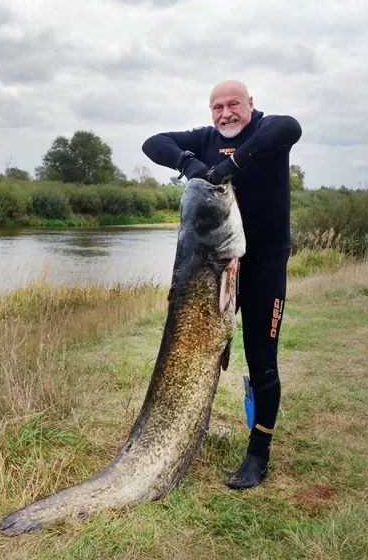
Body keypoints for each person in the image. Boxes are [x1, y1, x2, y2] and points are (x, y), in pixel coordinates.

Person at [141, 80, 302, 489]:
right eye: (217, 107)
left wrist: (233, 165)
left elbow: (291, 128)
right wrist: (187, 163)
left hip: (263, 263)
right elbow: (152, 143)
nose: (225, 113)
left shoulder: (269, 130)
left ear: (251, 104)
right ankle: (190, 423)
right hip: (215, 265)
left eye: (234, 104)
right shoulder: (205, 138)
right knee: (201, 348)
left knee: (261, 358)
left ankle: (258, 453)